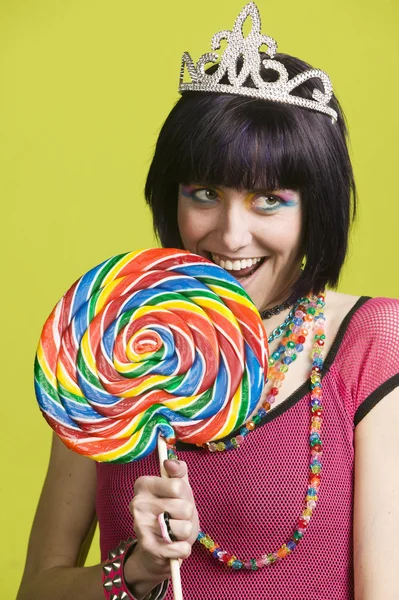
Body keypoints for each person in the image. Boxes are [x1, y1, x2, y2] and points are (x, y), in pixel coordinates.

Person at [17, 3, 399, 599]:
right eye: (204, 193)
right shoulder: (112, 343)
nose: (230, 234)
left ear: (315, 208)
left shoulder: (373, 339)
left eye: (269, 199)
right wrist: (138, 570)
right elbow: (36, 590)